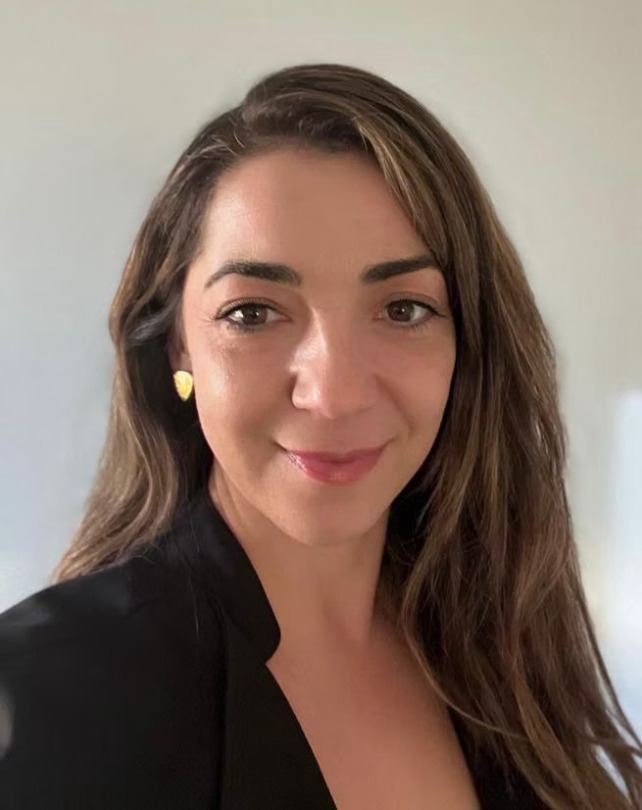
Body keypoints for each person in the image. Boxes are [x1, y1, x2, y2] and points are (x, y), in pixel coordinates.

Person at [0, 62, 640, 810]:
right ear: (177, 347)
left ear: (468, 345)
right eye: (253, 313)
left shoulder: (509, 662)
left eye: (403, 309)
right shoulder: (45, 692)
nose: (333, 395)